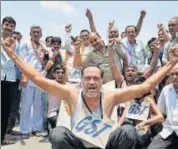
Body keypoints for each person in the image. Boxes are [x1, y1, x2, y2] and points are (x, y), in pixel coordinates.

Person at [2, 37, 178, 149]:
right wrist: (12, 55)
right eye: (88, 79)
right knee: (57, 134)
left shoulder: (111, 96)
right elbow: (37, 78)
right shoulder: (71, 94)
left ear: (102, 81)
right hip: (79, 145)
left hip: (105, 145)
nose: (92, 82)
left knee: (128, 131)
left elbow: (145, 86)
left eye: (96, 78)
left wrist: (171, 64)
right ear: (82, 81)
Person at [19, 25, 49, 139]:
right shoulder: (25, 44)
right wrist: (23, 76)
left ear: (41, 34)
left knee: (38, 104)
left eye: (38, 32)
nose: (36, 34)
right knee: (26, 104)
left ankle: (36, 128)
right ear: (30, 33)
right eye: (34, 32)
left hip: (39, 78)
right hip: (28, 76)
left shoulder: (42, 45)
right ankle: (24, 129)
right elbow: (21, 61)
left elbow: (45, 60)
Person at [1, 16, 20, 145]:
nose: (8, 28)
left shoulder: (16, 44)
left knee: (6, 109)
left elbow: (18, 61)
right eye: (6, 25)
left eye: (11, 26)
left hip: (11, 79)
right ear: (2, 25)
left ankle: (2, 137)